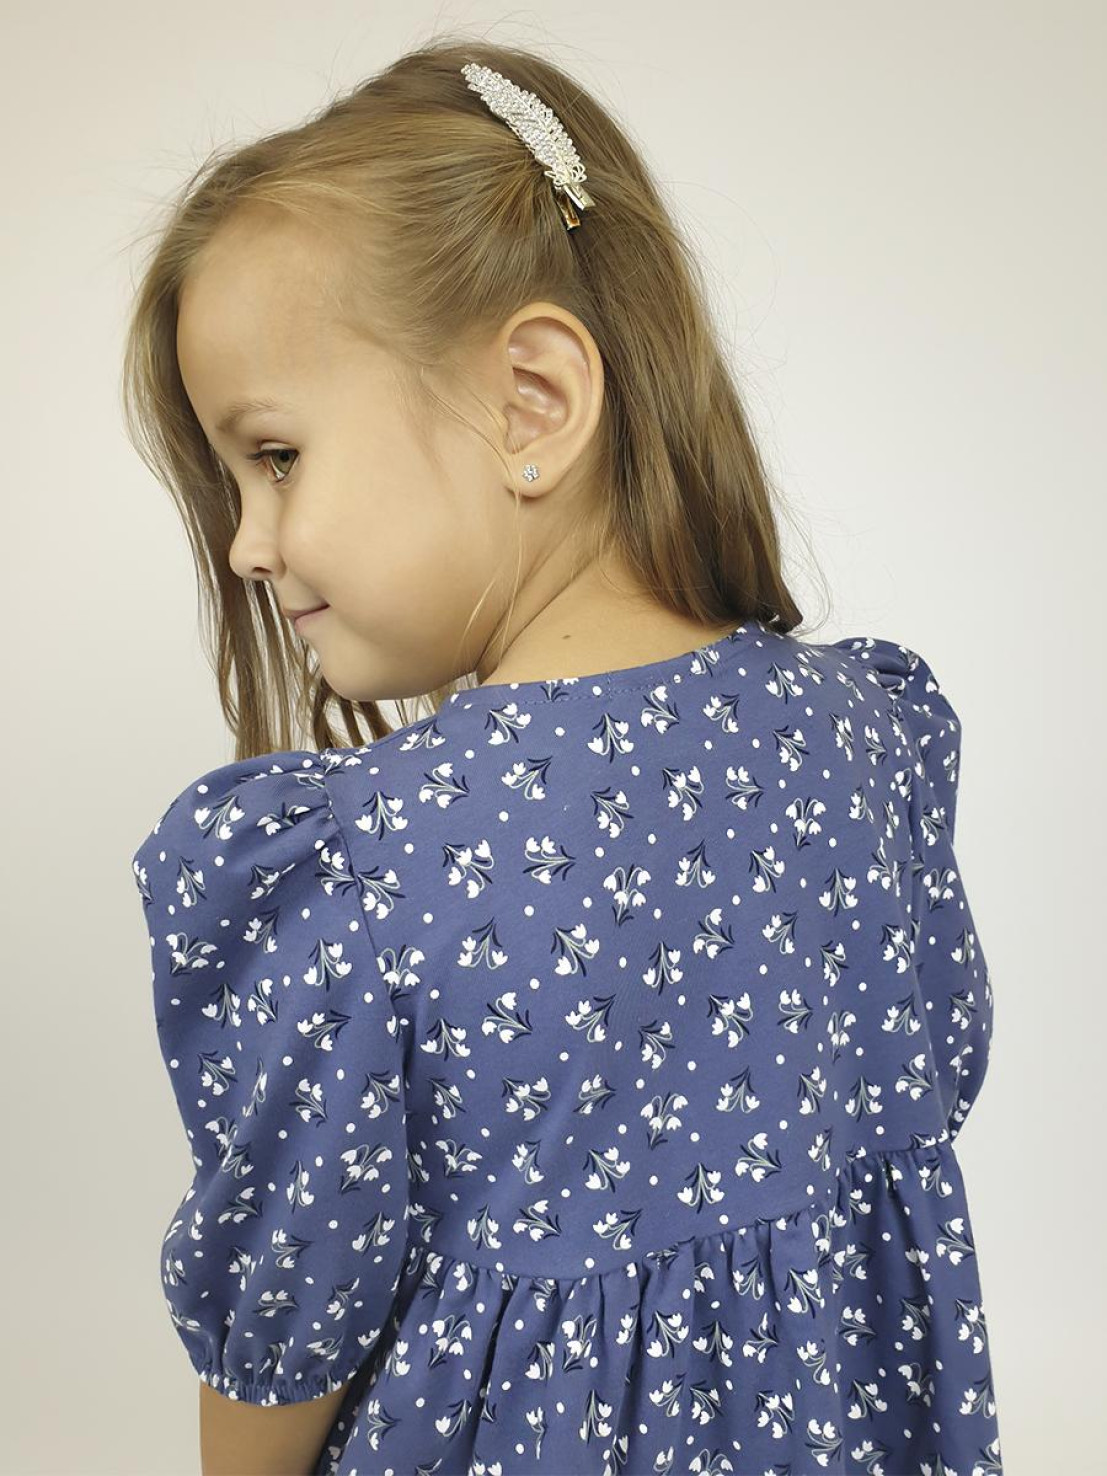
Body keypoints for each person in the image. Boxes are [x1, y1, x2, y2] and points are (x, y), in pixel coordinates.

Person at [123, 35, 1003, 1476]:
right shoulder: (867, 743)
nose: (245, 545)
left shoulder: (374, 868)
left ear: (530, 402)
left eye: (273, 457)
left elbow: (285, 1339)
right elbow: (925, 1100)